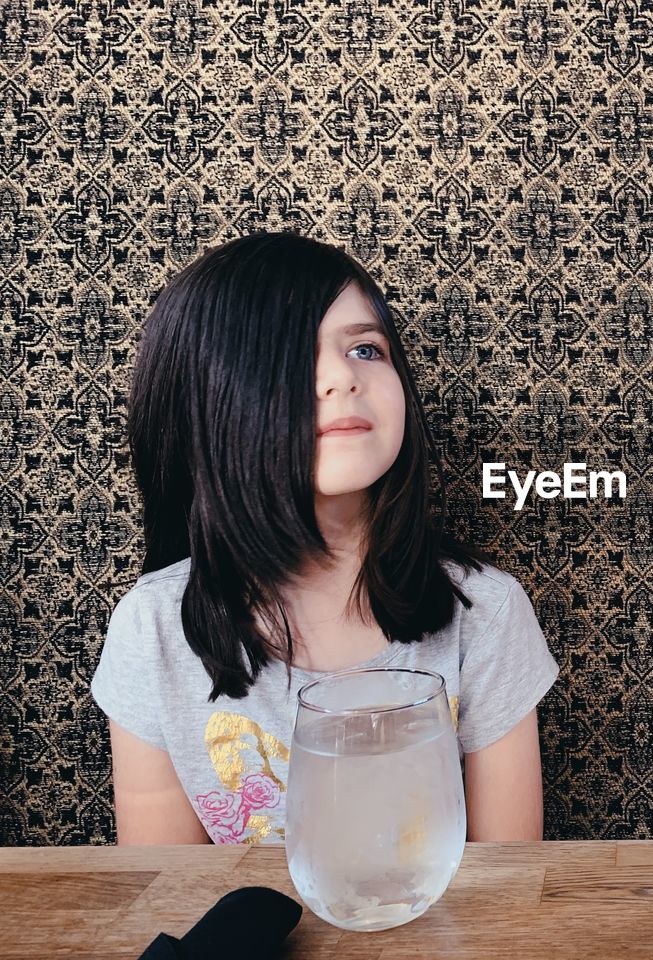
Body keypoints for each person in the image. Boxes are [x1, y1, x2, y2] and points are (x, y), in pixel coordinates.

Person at [90, 232, 559, 845]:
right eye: (290, 359)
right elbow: (168, 896)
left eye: (366, 348)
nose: (341, 376)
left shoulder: (487, 614)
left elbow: (506, 885)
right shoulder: (152, 630)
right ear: (208, 401)